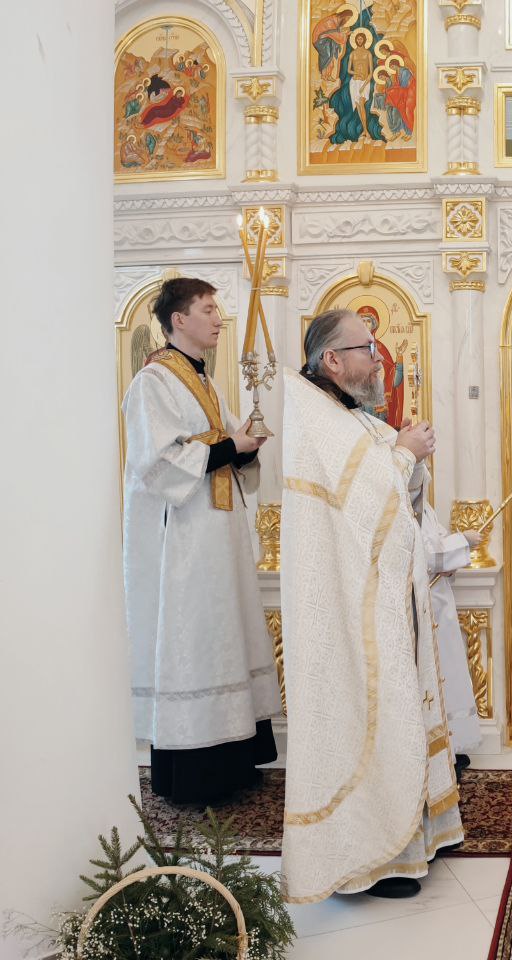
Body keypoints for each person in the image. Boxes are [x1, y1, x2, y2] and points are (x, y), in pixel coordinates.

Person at [280, 309, 462, 902]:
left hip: (378, 593)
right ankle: (371, 857)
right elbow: (366, 506)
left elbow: (391, 498)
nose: (379, 359)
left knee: (398, 707)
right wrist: (404, 453)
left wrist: (410, 460)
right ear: (332, 359)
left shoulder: (348, 415)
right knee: (368, 716)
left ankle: (418, 829)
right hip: (346, 609)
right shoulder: (316, 419)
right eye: (367, 349)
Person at [122, 277, 281, 806]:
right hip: (185, 544)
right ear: (178, 320)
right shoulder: (153, 383)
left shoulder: (205, 382)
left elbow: (227, 441)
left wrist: (248, 446)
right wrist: (231, 446)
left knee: (224, 635)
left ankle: (233, 764)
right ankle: (194, 775)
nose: (218, 319)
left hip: (219, 539)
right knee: (194, 641)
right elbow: (158, 461)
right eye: (208, 309)